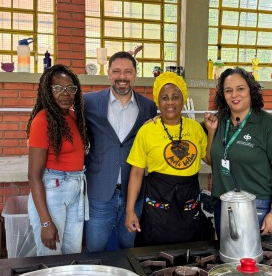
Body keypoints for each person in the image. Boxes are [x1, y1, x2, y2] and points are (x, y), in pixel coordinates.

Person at [204, 67, 272, 236]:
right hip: (222, 204)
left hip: (256, 206)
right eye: (228, 90)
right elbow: (210, 159)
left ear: (251, 91)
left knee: (251, 260)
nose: (234, 95)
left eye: (240, 89)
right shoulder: (218, 121)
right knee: (227, 258)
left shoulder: (268, 125)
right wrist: (157, 120)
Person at [84, 51, 157, 251]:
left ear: (135, 74)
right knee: (95, 250)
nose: (122, 77)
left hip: (133, 194)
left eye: (127, 72)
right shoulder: (88, 102)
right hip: (99, 192)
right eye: (116, 71)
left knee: (129, 248)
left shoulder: (148, 107)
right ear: (108, 73)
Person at [125, 72, 208, 245]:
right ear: (158, 101)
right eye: (165, 97)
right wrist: (130, 210)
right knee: (155, 252)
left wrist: (212, 131)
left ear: (183, 99)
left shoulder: (195, 128)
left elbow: (209, 158)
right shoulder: (147, 130)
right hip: (158, 200)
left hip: (189, 199)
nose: (170, 102)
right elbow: (137, 173)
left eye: (175, 97)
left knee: (190, 251)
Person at [26, 64, 89, 256]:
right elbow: (34, 176)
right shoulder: (42, 120)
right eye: (58, 88)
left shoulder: (73, 116)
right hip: (53, 191)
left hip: (76, 189)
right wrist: (46, 222)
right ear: (47, 91)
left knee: (72, 254)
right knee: (51, 258)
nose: (65, 94)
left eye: (71, 88)